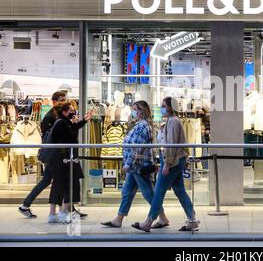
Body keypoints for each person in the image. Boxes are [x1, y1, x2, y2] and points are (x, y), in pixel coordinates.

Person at [18, 91, 91, 219]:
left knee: (57, 181)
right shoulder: (51, 117)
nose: (65, 101)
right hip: (56, 156)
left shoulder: (59, 118)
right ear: (55, 101)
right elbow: (52, 137)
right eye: (62, 99)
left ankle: (65, 210)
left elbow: (67, 132)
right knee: (58, 182)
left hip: (58, 156)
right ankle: (30, 206)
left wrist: (82, 121)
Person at [132, 97, 198, 232]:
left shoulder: (173, 122)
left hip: (171, 161)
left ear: (169, 107)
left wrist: (167, 164)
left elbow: (171, 145)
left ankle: (148, 222)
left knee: (159, 191)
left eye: (163, 106)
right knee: (179, 190)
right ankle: (192, 219)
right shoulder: (171, 121)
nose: (161, 108)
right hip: (174, 160)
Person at [101, 101, 170, 229]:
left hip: (138, 166)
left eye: (135, 109)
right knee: (127, 192)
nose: (133, 112)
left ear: (142, 110)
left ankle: (162, 217)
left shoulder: (142, 126)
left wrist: (128, 164)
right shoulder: (142, 125)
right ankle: (118, 219)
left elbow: (136, 148)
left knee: (148, 193)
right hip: (135, 166)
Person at [47, 102, 84, 223]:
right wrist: (76, 124)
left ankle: (53, 214)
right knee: (70, 184)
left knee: (58, 184)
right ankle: (63, 211)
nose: (73, 112)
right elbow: (72, 137)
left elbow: (72, 129)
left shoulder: (62, 122)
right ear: (64, 112)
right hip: (64, 159)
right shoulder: (63, 123)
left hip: (59, 159)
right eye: (71, 110)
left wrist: (83, 121)